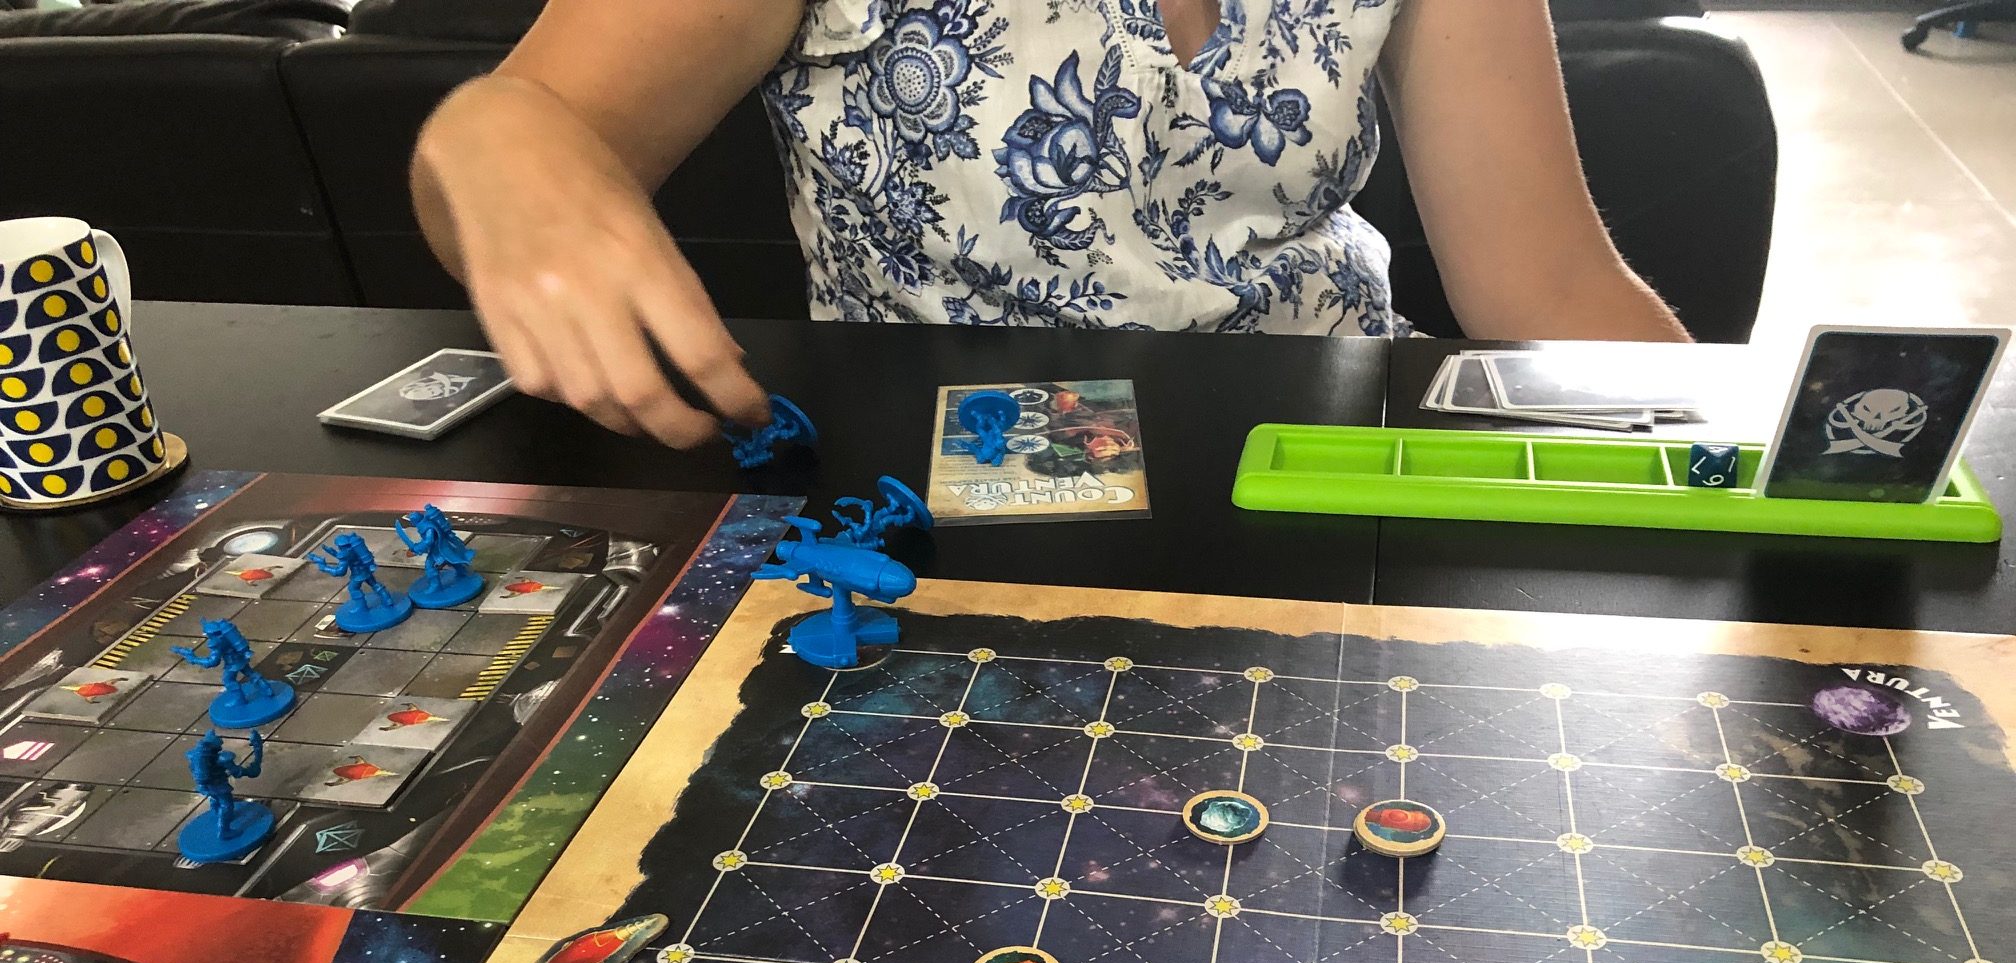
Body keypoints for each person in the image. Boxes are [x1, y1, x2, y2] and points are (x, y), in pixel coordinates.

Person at [412, 0, 1688, 449]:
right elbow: (517, 145)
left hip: (1330, 470)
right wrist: (492, 135)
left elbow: (1549, 286)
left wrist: (1747, 452)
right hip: (949, 493)